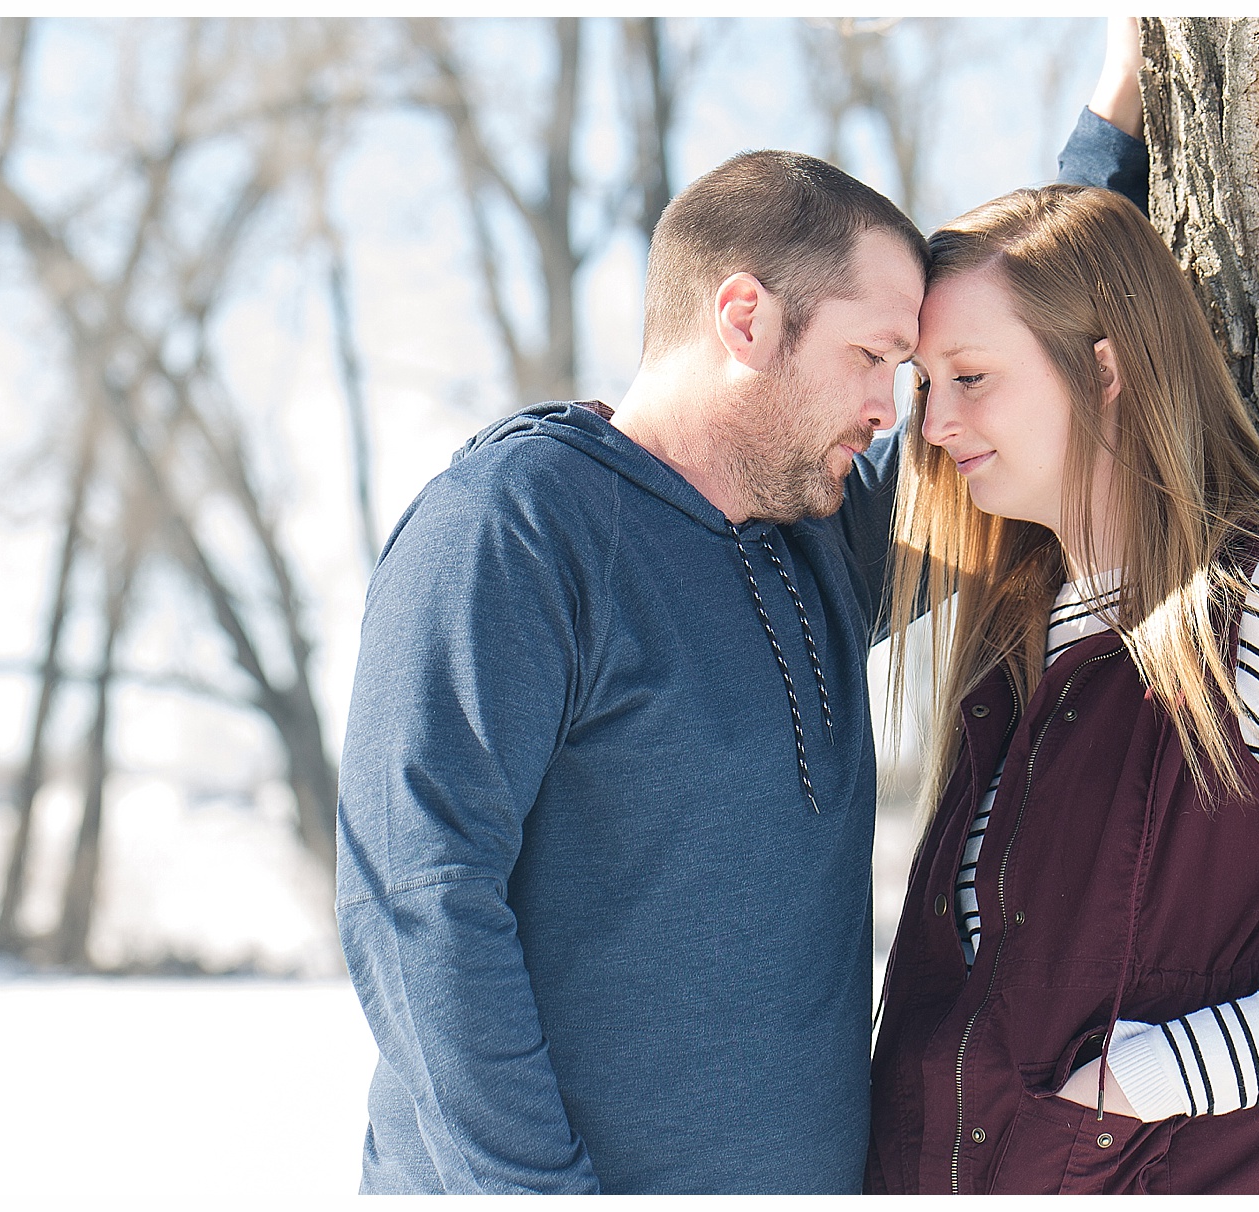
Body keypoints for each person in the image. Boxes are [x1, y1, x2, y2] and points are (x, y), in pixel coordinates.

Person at [333, 27, 1151, 1195]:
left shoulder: (809, 538)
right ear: (746, 319)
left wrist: (1117, 107)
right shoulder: (515, 526)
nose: (897, 409)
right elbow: (416, 897)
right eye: (874, 356)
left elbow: (1012, 345)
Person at [864, 115, 1259, 1194]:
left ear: (1103, 370)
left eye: (970, 376)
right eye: (926, 385)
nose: (932, 426)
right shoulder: (1014, 636)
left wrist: (1147, 1078)